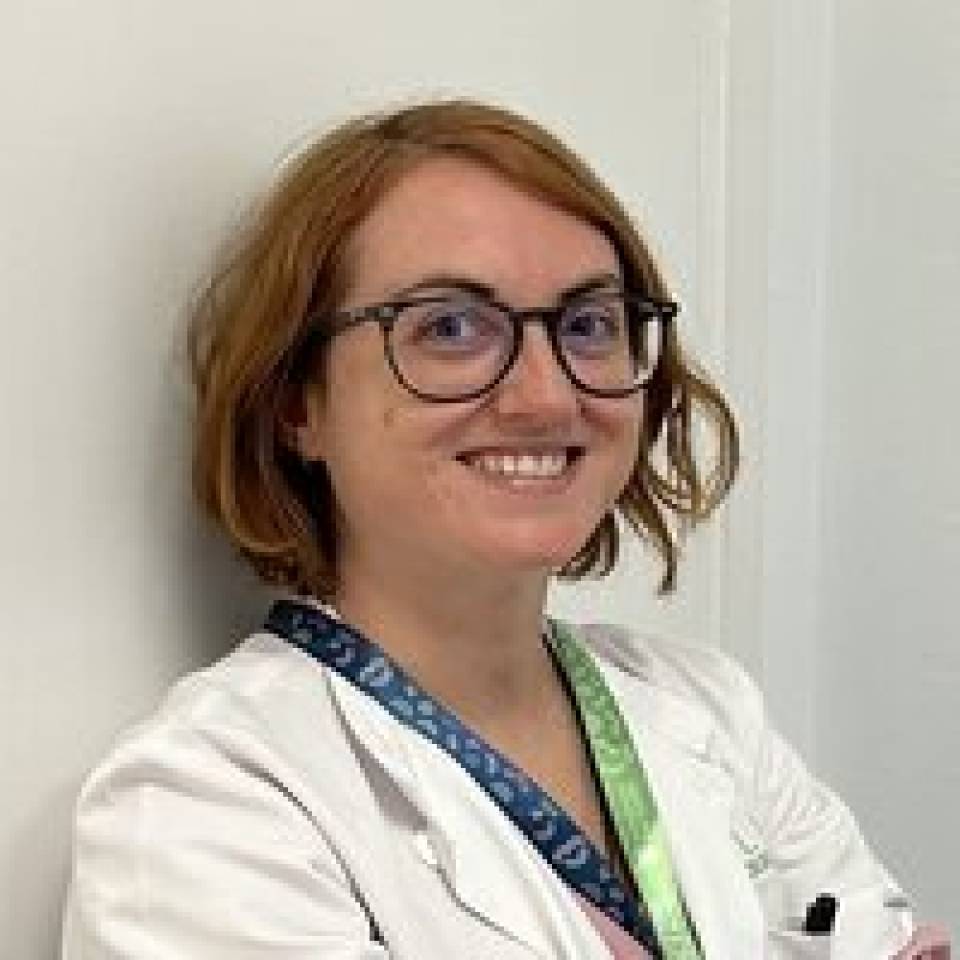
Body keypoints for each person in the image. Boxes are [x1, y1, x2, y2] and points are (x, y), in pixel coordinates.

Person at [61, 100, 950, 959]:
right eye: (451, 328)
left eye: (589, 325)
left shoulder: (708, 710)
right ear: (298, 401)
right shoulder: (208, 807)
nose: (547, 396)